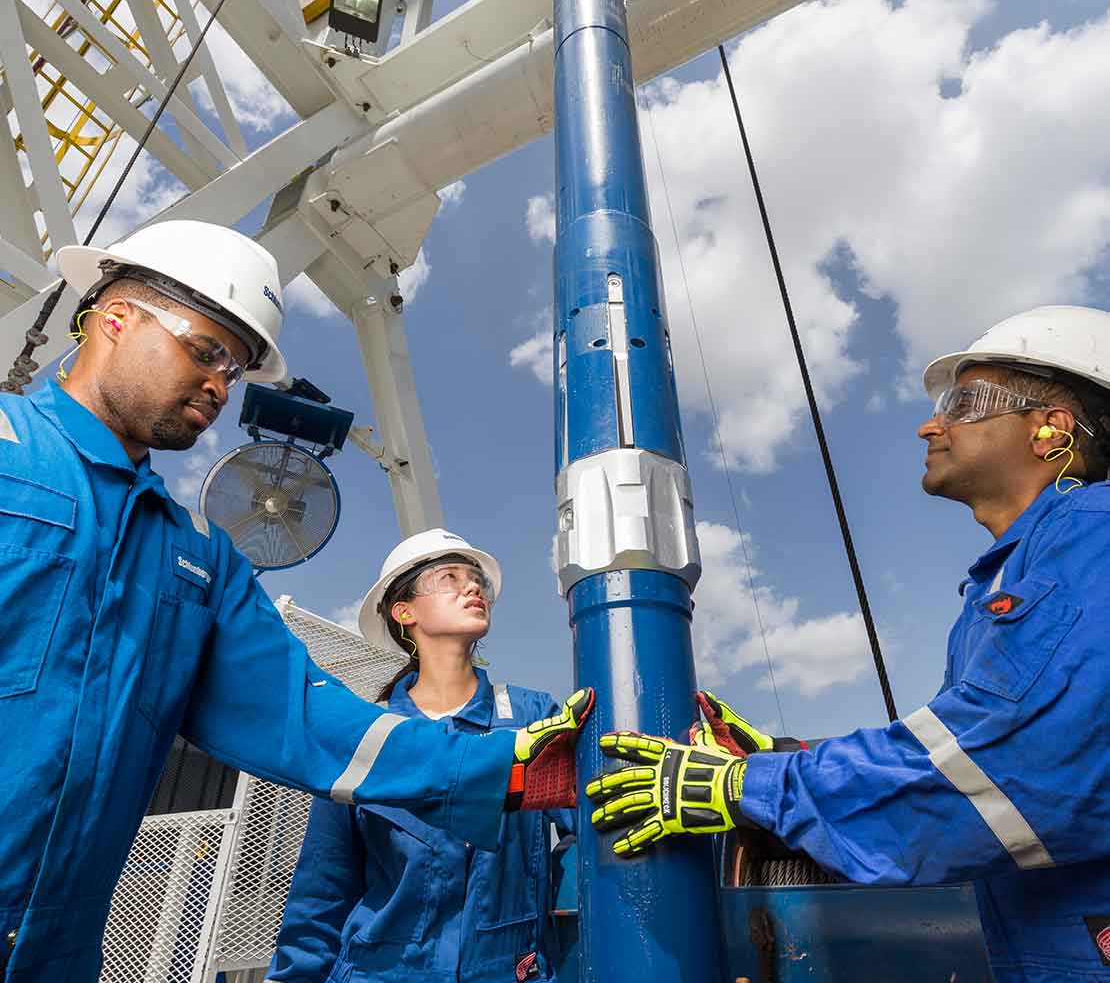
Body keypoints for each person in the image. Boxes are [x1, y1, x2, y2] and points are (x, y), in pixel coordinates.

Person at [0, 220, 592, 981]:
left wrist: (520, 770)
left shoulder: (198, 558)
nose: (220, 385)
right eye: (206, 350)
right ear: (115, 319)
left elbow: (310, 719)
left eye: (237, 368)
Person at [586, 306, 1110, 982]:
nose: (931, 424)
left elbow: (1012, 762)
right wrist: (787, 760)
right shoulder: (1023, 569)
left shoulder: (1092, 538)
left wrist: (750, 785)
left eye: (965, 402)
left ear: (1052, 430)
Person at [267, 529, 574, 983]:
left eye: (477, 580)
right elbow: (322, 889)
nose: (473, 587)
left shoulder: (534, 718)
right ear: (404, 612)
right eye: (450, 577)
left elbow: (592, 829)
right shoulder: (366, 736)